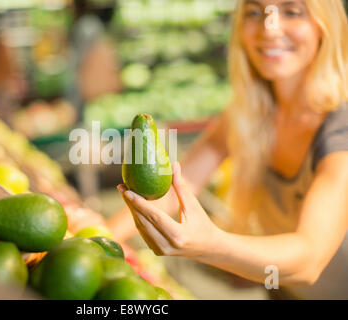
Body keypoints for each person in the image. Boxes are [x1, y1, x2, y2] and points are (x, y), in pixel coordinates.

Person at [108, 0, 348, 299]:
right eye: (254, 11)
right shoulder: (246, 114)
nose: (269, 28)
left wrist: (211, 245)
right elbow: (178, 190)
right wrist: (104, 233)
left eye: (292, 10)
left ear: (324, 26)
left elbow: (310, 260)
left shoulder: (341, 130)